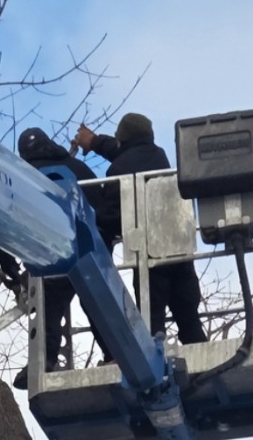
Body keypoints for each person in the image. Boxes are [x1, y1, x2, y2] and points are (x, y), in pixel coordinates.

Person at [74, 112, 207, 346]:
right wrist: (94, 142)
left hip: (150, 255)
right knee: (189, 319)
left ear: (122, 139)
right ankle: (202, 362)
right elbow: (126, 152)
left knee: (151, 324)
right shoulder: (159, 157)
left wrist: (97, 226)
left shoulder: (119, 170)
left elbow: (112, 217)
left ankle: (156, 372)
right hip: (179, 250)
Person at [12, 128, 116, 385]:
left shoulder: (21, 176)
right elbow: (102, 205)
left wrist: (12, 273)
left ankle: (44, 360)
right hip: (90, 245)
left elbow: (4, 221)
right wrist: (107, 237)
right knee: (95, 300)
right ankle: (114, 353)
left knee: (48, 304)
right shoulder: (76, 168)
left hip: (52, 252)